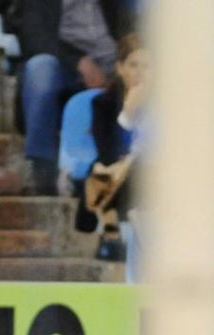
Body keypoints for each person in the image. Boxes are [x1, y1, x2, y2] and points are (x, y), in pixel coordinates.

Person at [9, 0, 132, 195]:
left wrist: (124, 68)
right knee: (40, 68)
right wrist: (78, 61)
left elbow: (133, 31)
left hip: (115, 63)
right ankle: (42, 169)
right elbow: (35, 38)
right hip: (65, 65)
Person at [77, 33, 148, 262]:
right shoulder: (103, 104)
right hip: (118, 173)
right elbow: (107, 150)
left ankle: (116, 234)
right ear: (120, 68)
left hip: (153, 173)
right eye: (134, 65)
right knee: (101, 169)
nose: (140, 72)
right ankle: (111, 234)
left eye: (147, 66)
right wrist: (128, 113)